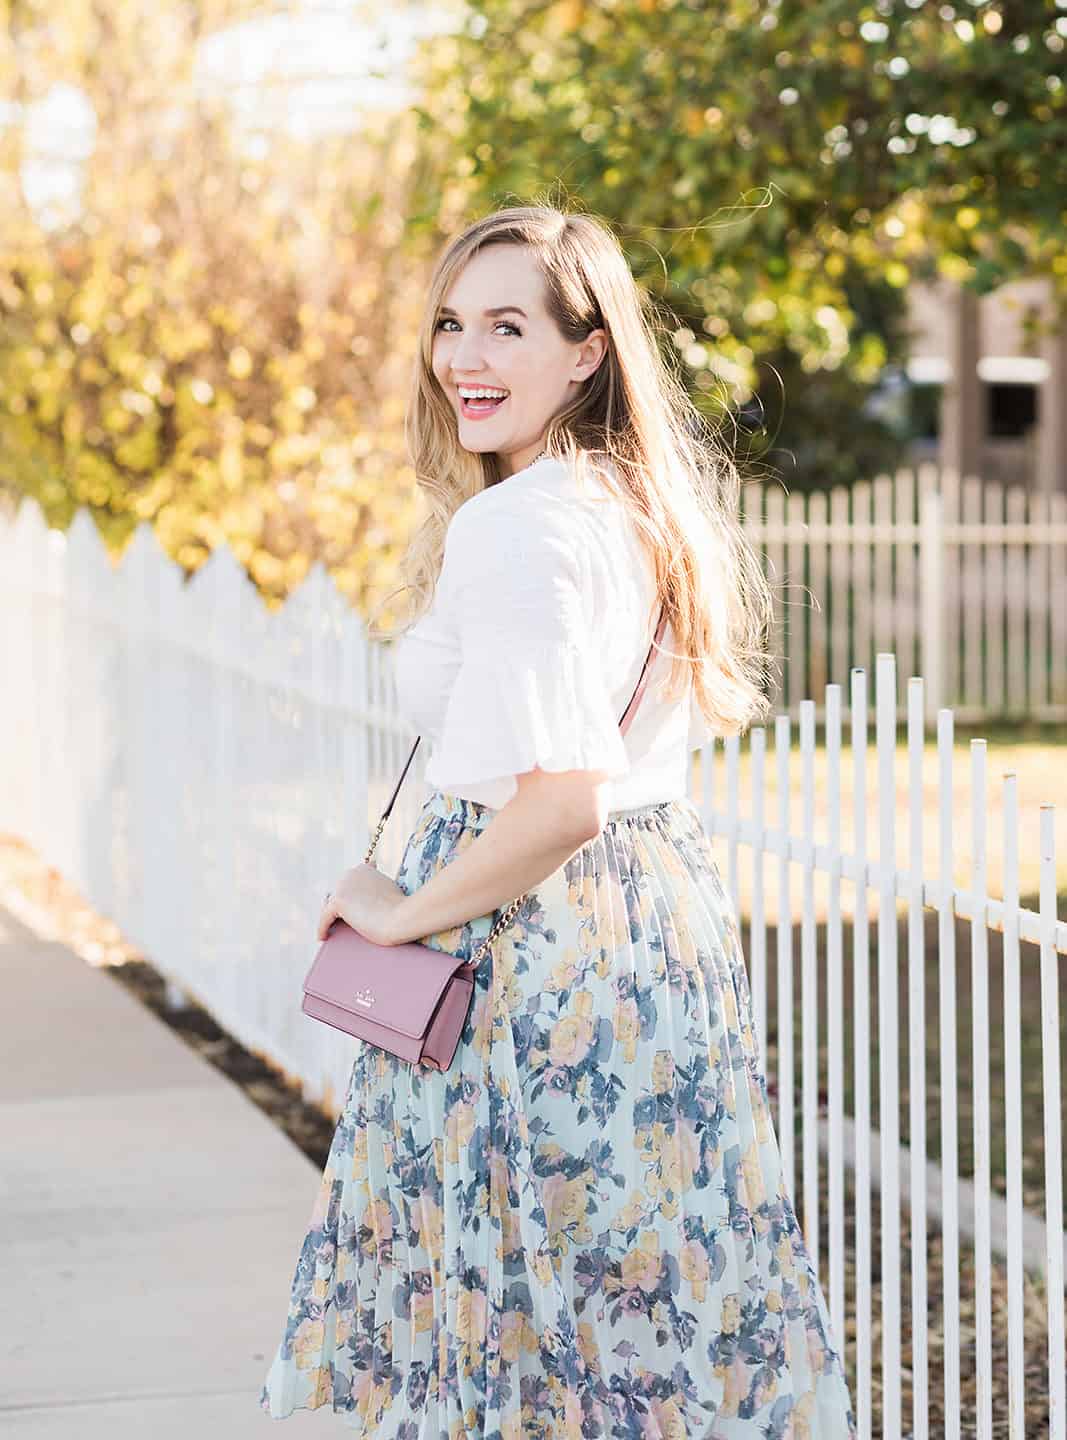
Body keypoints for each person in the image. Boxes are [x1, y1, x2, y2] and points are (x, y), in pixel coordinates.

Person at [259, 204, 857, 1439]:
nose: (463, 359)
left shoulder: (518, 528)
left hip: (522, 954)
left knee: (523, 1308)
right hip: (645, 940)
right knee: (639, 1299)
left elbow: (558, 805)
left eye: (507, 327)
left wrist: (397, 911)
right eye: (449, 324)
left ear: (586, 353)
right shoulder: (620, 505)